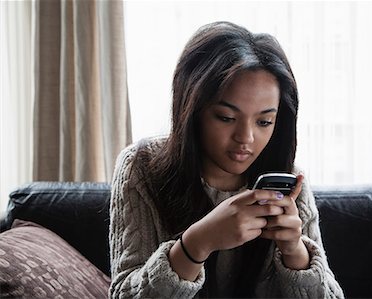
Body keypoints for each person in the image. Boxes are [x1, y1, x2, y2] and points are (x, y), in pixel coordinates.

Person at [109, 21, 344, 298]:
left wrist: (295, 252)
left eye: (264, 121)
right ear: (192, 109)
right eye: (226, 118)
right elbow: (124, 294)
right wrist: (198, 242)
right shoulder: (141, 168)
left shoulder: (290, 185)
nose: (246, 138)